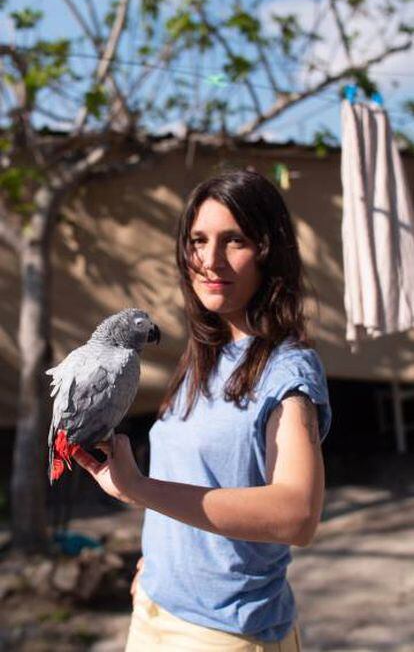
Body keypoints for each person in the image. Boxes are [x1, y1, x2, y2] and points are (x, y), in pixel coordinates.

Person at [74, 169, 332, 651]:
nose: (210, 261)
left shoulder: (286, 368)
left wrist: (139, 488)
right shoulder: (203, 354)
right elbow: (194, 473)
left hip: (224, 633)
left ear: (268, 251)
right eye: (198, 240)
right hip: (153, 609)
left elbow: (299, 514)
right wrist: (155, 565)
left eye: (233, 240)